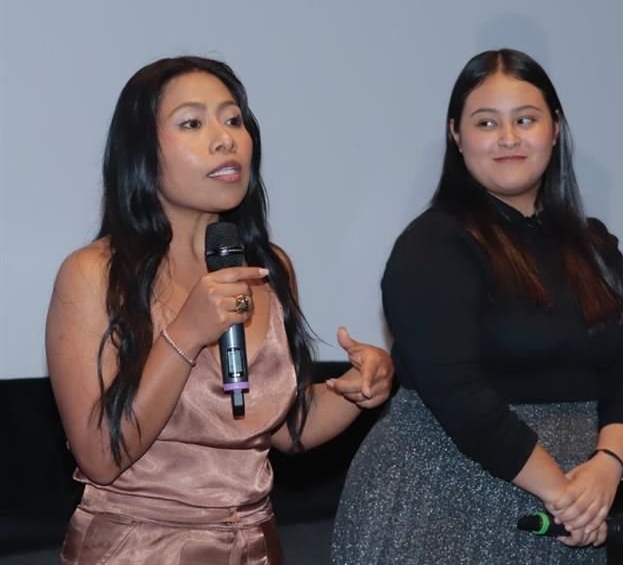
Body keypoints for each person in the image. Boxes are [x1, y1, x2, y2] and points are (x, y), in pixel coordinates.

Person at [45, 56, 394, 564]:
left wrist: (356, 391)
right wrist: (185, 334)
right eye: (192, 123)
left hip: (255, 546)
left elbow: (276, 427)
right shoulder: (93, 275)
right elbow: (100, 457)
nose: (225, 138)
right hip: (139, 550)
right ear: (142, 152)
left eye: (234, 120)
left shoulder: (268, 270)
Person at [330, 48, 623, 564]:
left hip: (576, 506)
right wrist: (563, 493)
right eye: (487, 122)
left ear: (554, 128)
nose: (508, 138)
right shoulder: (432, 244)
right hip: (441, 499)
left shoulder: (595, 247)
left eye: (525, 120)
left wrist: (605, 469)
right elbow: (459, 394)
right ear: (457, 136)